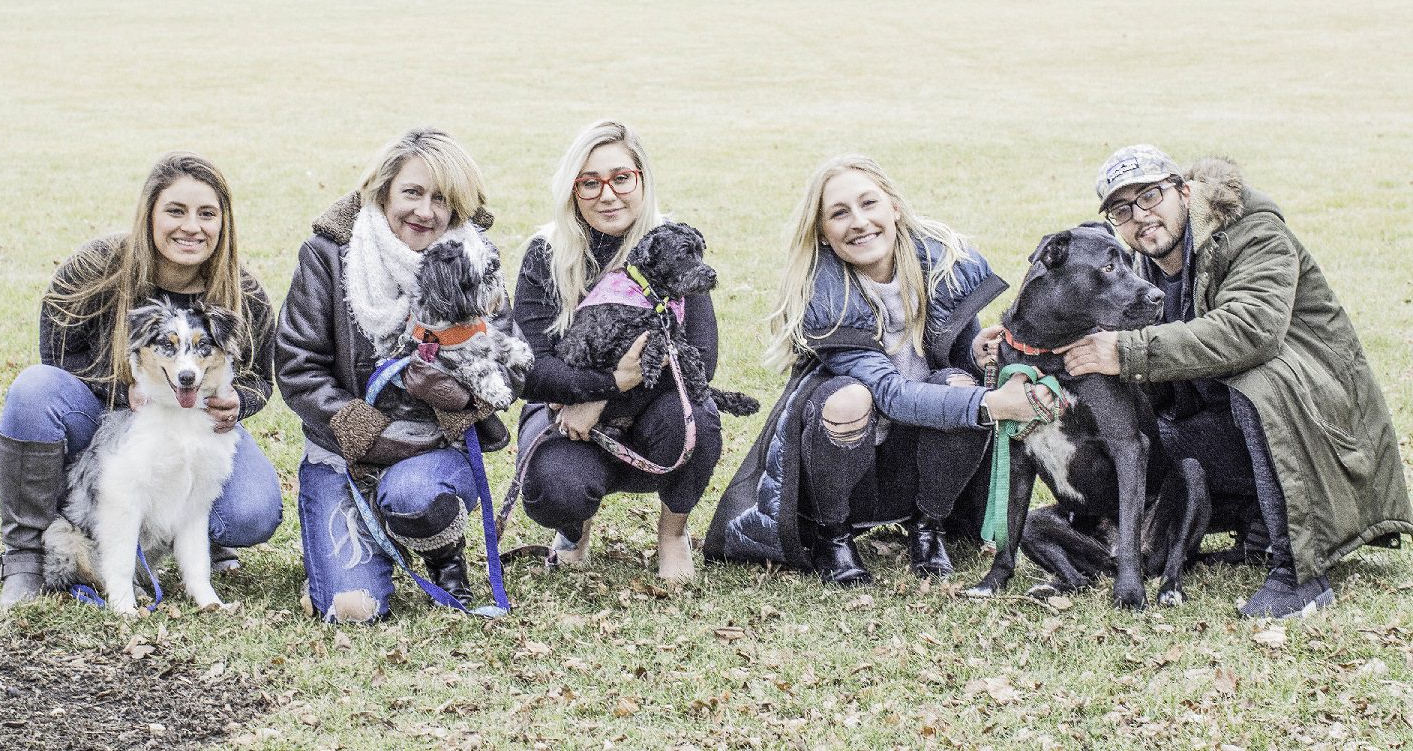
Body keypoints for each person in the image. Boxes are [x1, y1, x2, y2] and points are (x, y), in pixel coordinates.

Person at [1061, 145, 1413, 618]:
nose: (1140, 217)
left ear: (1183, 191)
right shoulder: (1143, 269)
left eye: (1149, 197)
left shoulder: (1253, 232)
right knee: (1146, 435)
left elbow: (1252, 330)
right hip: (1237, 423)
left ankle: (1299, 576)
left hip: (1320, 421)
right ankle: (1252, 527)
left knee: (1256, 386)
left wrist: (1127, 352)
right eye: (1122, 210)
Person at [705, 155, 1056, 586]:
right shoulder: (824, 294)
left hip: (919, 458)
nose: (858, 222)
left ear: (894, 207)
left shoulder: (945, 265)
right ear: (822, 232)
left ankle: (929, 525)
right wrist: (997, 404)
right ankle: (834, 535)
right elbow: (891, 394)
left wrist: (983, 358)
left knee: (961, 385)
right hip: (848, 456)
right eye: (839, 213)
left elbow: (959, 371)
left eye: (868, 203)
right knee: (853, 398)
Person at [0, 152, 282, 609]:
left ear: (223, 223)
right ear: (149, 211)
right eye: (176, 210)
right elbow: (57, 360)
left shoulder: (243, 292)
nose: (192, 227)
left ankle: (191, 543)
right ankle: (26, 558)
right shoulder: (94, 267)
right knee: (33, 390)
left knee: (253, 511)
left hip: (194, 416)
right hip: (102, 417)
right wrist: (122, 390)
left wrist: (237, 402)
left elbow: (260, 377)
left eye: (207, 214)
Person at [277, 128, 521, 623]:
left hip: (433, 450)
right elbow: (297, 365)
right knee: (353, 610)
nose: (426, 212)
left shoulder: (475, 258)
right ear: (382, 189)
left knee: (414, 497)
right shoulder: (328, 255)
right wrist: (366, 433)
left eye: (442, 199)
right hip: (343, 451)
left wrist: (456, 397)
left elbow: (510, 365)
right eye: (412, 192)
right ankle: (351, 554)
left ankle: (439, 551)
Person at [513, 120, 723, 581]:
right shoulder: (545, 254)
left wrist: (603, 397)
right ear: (572, 190)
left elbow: (700, 363)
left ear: (642, 179)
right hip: (565, 419)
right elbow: (530, 370)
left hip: (645, 410)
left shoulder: (673, 246)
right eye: (590, 183)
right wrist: (602, 386)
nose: (607, 195)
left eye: (620, 178)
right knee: (556, 490)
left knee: (699, 420)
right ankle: (573, 529)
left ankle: (673, 533)